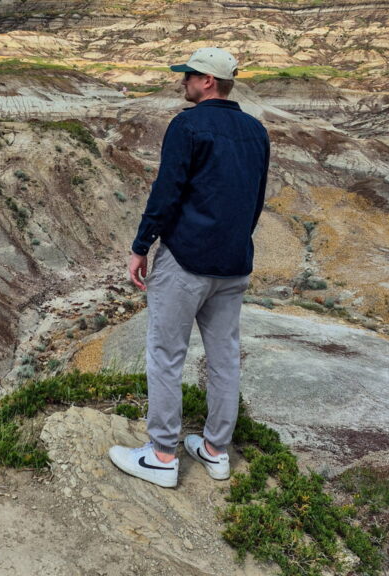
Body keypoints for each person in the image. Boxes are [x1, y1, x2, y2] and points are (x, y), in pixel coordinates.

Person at [109, 47, 269, 489]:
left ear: (208, 82)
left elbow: (167, 192)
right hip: (234, 263)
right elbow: (254, 200)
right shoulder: (256, 130)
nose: (183, 82)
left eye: (189, 76)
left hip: (186, 261)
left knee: (166, 355)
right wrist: (234, 241)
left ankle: (162, 454)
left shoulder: (188, 125)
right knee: (224, 359)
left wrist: (141, 246)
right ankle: (216, 451)